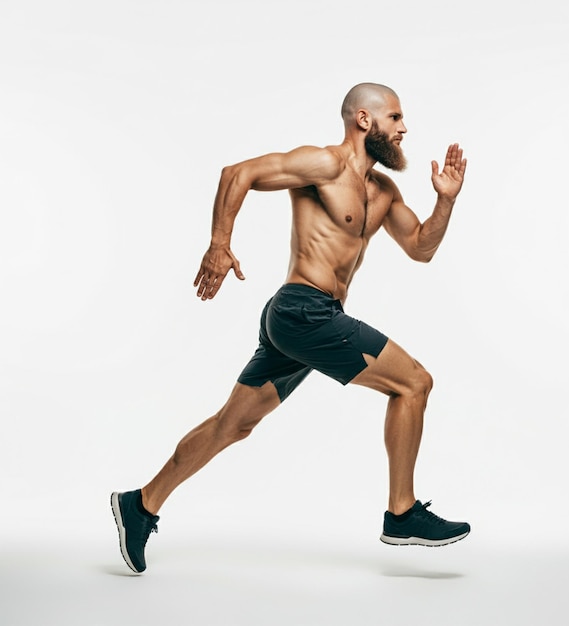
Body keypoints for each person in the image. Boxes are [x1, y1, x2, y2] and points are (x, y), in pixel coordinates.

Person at [111, 82, 470, 574]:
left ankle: (140, 504)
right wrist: (220, 243)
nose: (404, 128)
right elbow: (238, 173)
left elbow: (421, 247)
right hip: (304, 311)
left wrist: (446, 201)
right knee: (414, 384)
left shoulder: (384, 191)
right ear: (364, 120)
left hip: (306, 320)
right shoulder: (323, 165)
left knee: (232, 425)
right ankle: (402, 512)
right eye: (395, 118)